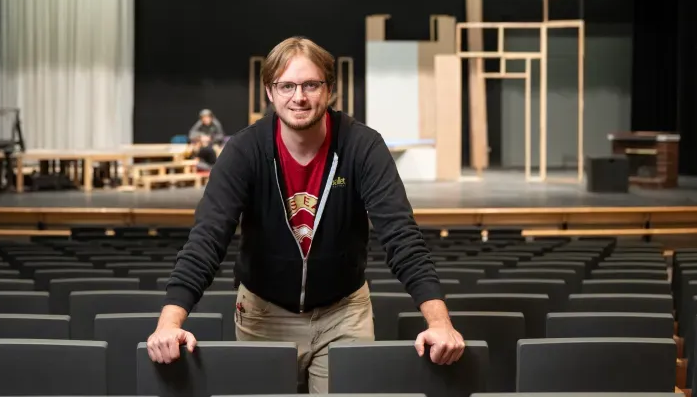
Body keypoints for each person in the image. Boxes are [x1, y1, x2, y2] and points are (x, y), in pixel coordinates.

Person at [147, 37, 465, 393]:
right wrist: (169, 321)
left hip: (344, 314)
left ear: (329, 89)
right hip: (262, 317)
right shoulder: (244, 150)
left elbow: (401, 235)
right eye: (287, 85)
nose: (299, 97)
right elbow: (207, 237)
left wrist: (439, 322)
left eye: (311, 84)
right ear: (270, 91)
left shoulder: (363, 146)